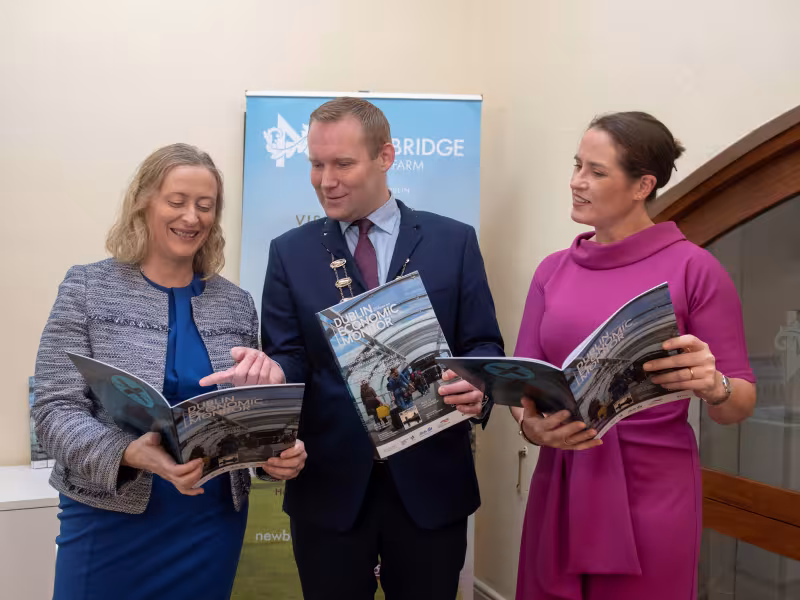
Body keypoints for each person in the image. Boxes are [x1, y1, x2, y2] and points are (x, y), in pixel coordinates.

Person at [32, 143, 307, 600]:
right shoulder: (87, 286)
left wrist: (274, 458)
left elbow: (246, 413)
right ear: (144, 202)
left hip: (209, 524)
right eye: (177, 201)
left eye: (205, 206)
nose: (192, 217)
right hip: (109, 518)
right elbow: (53, 410)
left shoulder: (236, 303)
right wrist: (129, 453)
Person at [260, 97, 504, 600]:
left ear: (386, 156)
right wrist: (265, 374)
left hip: (432, 486)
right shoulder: (290, 251)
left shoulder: (454, 241)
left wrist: (478, 385)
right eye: (316, 164)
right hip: (328, 488)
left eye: (342, 163)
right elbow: (289, 357)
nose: (326, 180)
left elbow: (482, 343)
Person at [512, 112, 756, 600]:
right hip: (561, 476)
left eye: (596, 172)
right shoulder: (552, 270)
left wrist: (715, 386)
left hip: (652, 488)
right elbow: (524, 380)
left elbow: (739, 404)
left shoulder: (695, 269)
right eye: (577, 165)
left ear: (643, 184)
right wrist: (529, 425)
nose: (576, 182)